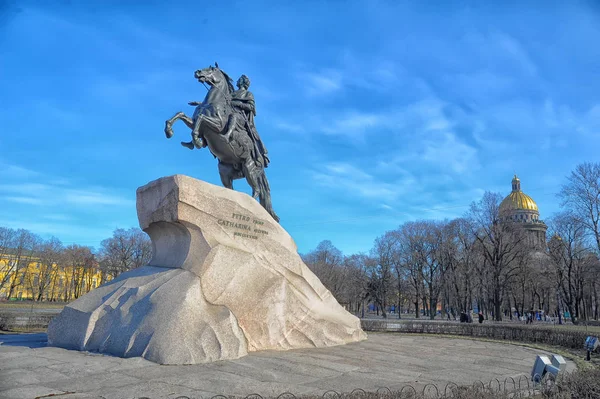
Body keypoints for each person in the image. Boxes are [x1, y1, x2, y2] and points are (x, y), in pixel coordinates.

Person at [222, 75, 270, 168]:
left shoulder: (248, 94)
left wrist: (238, 103)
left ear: (243, 82)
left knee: (234, 116)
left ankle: (227, 135)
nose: (237, 81)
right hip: (227, 114)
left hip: (240, 117)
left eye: (240, 80)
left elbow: (251, 107)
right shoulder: (232, 93)